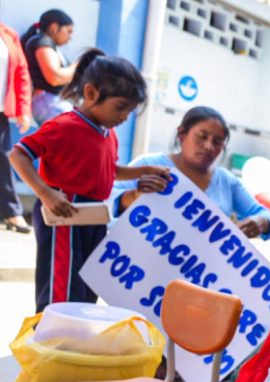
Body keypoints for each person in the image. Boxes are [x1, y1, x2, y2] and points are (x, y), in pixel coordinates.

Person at [10, 49, 170, 312]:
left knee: (87, 287)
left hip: (94, 217)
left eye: (129, 111)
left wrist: (144, 171)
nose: (124, 117)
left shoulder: (108, 134)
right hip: (64, 213)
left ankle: (77, 341)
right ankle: (54, 343)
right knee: (61, 290)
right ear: (91, 93)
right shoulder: (64, 126)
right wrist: (46, 194)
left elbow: (110, 170)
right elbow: (19, 155)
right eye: (120, 108)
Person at [112, 106, 270, 238]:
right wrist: (134, 196)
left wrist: (260, 221)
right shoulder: (148, 166)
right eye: (201, 137)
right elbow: (108, 205)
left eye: (217, 142)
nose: (209, 146)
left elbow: (264, 213)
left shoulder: (226, 182)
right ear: (182, 134)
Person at [1, 20, 32, 233]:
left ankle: (11, 211)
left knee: (2, 159)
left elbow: (21, 72)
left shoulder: (8, 34)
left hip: (0, 110)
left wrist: (24, 109)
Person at [20, 10, 75, 125]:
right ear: (54, 27)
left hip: (49, 102)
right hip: (48, 101)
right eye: (69, 31)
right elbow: (54, 78)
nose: (70, 37)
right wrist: (77, 67)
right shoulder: (43, 41)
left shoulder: (43, 42)